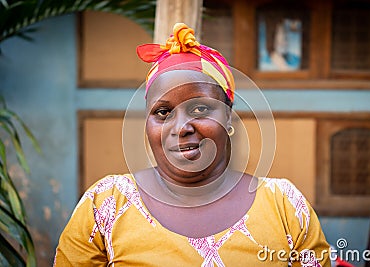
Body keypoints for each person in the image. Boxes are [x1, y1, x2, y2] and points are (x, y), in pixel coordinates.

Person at [53, 23, 331, 266]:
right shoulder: (106, 205)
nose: (181, 128)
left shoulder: (285, 206)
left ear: (229, 118)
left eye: (199, 109)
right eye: (163, 112)